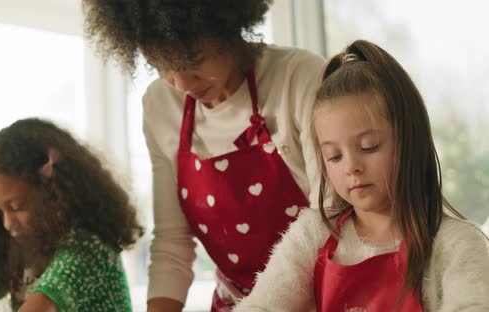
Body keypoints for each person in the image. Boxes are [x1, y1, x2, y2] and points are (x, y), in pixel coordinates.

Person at [83, 0, 325, 310]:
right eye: (161, 65)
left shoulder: (297, 77)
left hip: (321, 293)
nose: (181, 83)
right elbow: (172, 242)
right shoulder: (160, 105)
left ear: (229, 31)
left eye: (194, 59)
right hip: (236, 301)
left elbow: (329, 215)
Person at [233, 40, 489, 311]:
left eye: (369, 147)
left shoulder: (457, 244)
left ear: (410, 140)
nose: (351, 166)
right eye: (334, 156)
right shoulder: (312, 236)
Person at [0, 118, 143, 311]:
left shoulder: (87, 248)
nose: (7, 223)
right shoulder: (19, 244)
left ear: (54, 193)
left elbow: (43, 306)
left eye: (16, 207)